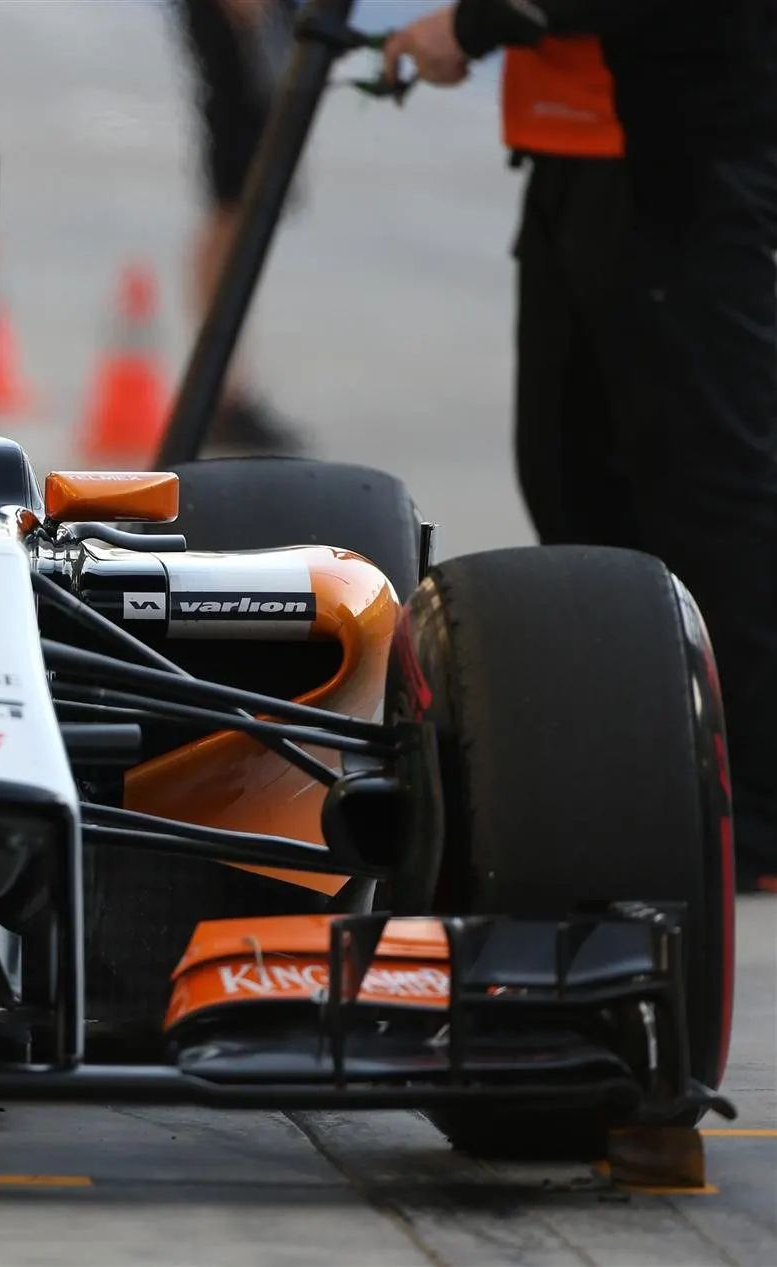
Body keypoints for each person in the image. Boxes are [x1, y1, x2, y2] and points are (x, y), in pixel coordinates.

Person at [386, 0, 777, 893]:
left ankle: (752, 811)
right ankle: (639, 778)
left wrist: (480, 22)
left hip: (683, 165)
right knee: (570, 479)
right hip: (576, 159)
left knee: (709, 491)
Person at [170, 0, 310, 454]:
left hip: (261, 26)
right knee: (236, 211)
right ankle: (221, 391)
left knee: (240, 212)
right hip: (243, 25)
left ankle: (223, 387)